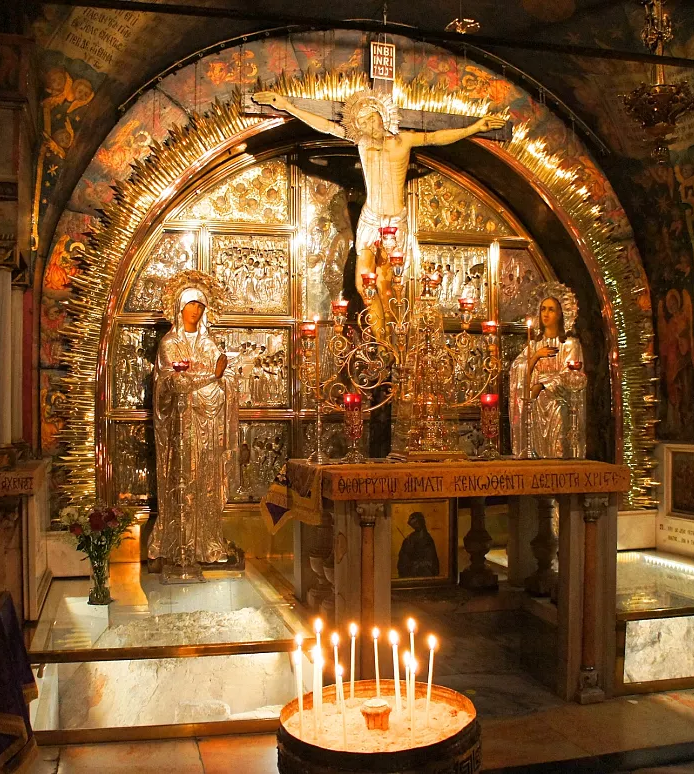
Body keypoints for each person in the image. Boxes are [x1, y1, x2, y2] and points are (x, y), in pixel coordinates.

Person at [252, 88, 505, 335]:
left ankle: (392, 343)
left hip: (395, 221)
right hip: (370, 217)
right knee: (362, 284)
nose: (367, 126)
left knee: (386, 287)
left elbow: (436, 137)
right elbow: (327, 126)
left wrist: (474, 128)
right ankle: (381, 339)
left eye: (370, 119)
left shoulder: (403, 140)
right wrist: (288, 106)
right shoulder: (362, 143)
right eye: (361, 122)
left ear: (382, 116)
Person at [151, 272, 240, 579]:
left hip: (208, 428)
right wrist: (211, 377)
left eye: (200, 306)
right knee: (181, 484)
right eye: (191, 304)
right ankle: (177, 546)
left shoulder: (208, 343)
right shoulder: (170, 344)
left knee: (207, 485)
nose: (196, 310)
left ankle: (207, 544)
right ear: (179, 307)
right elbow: (174, 383)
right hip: (180, 430)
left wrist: (214, 380)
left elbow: (227, 376)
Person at [509, 284, 587, 459]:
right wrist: (536, 356)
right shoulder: (534, 345)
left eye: (551, 310)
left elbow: (569, 376)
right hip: (536, 405)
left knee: (558, 448)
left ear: (560, 314)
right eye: (543, 309)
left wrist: (542, 384)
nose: (545, 313)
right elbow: (518, 370)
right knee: (536, 450)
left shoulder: (570, 345)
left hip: (558, 405)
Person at [397, 511, 440, 578]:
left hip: (424, 575)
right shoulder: (409, 539)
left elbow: (432, 562)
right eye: (413, 524)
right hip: (410, 575)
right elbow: (402, 562)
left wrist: (418, 564)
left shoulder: (428, 539)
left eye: (417, 523)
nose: (416, 525)